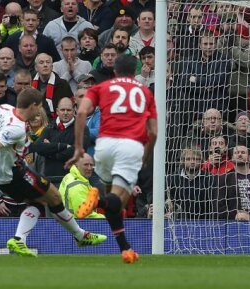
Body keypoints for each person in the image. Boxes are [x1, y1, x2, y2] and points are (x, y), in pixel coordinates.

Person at [0, 88, 106, 257]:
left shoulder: (2, 109)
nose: (41, 110)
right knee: (54, 196)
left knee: (39, 202)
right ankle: (80, 236)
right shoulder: (16, 128)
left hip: (3, 173)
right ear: (33, 105)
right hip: (11, 173)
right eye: (40, 106)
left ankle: (19, 239)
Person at [66, 54, 157, 264]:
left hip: (104, 146)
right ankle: (96, 200)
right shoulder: (144, 91)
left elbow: (80, 113)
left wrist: (79, 148)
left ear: (114, 70)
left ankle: (125, 248)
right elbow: (153, 131)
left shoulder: (102, 87)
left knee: (113, 204)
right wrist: (145, 154)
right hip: (129, 146)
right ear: (135, 71)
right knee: (118, 200)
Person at [58, 152, 103, 218]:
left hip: (69, 223)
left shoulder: (69, 176)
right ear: (76, 164)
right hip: (78, 225)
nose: (89, 168)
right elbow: (85, 215)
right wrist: (106, 219)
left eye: (91, 165)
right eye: (86, 165)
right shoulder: (77, 186)